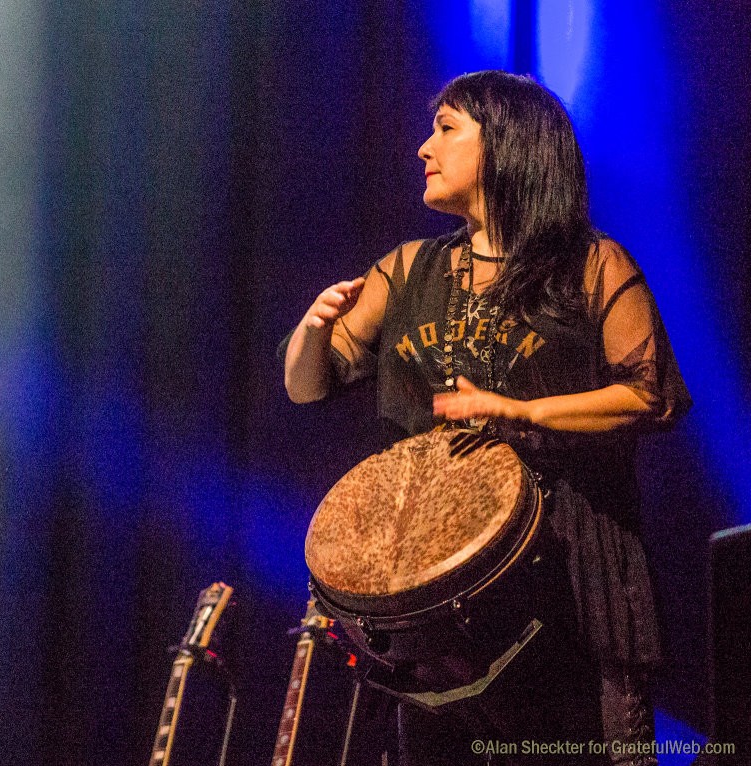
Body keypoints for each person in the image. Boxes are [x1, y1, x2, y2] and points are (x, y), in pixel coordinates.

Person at [283, 71, 691, 765]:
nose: (423, 147)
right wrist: (312, 330)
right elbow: (306, 387)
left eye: (446, 129)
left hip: (565, 582)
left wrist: (521, 410)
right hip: (436, 610)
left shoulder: (591, 265)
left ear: (507, 144)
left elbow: (651, 395)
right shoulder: (407, 269)